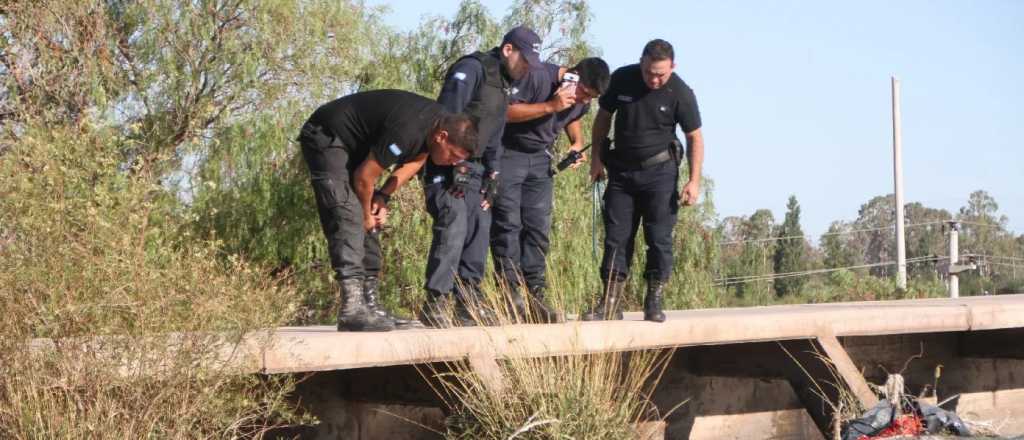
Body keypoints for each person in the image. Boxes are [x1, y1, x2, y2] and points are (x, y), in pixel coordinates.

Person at [297, 89, 477, 332]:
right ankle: (351, 308)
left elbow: (416, 161)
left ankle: (370, 305)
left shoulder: (439, 122)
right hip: (326, 136)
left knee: (369, 209)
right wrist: (365, 215)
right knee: (349, 213)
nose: (454, 164)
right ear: (442, 137)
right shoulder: (408, 130)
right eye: (453, 156)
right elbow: (363, 177)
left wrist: (382, 196)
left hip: (357, 149)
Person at [419, 26, 541, 328]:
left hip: (477, 170)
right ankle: (436, 301)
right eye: (524, 61)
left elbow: (495, 133)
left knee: (479, 227)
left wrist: (493, 172)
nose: (526, 70)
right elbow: (445, 117)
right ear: (508, 50)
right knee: (454, 223)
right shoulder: (471, 69)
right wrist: (454, 166)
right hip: (449, 163)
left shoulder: (501, 84)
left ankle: (467, 300)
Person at [584, 39, 705, 323]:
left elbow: (695, 137)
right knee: (616, 238)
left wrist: (694, 180)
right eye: (649, 72)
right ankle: (610, 302)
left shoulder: (681, 92)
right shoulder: (623, 78)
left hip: (660, 174)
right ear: (641, 62)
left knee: (659, 238)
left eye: (661, 74)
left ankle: (653, 300)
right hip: (622, 173)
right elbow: (602, 118)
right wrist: (596, 159)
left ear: (672, 67)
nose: (654, 79)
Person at [490, 57, 610, 322]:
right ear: (573, 76)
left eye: (591, 98)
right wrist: (550, 106)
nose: (583, 101)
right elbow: (505, 112)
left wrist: (576, 142)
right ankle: (510, 293)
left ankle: (535, 295)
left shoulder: (581, 103)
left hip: (540, 161)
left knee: (537, 229)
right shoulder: (537, 75)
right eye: (584, 93)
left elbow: (572, 117)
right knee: (508, 225)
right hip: (509, 153)